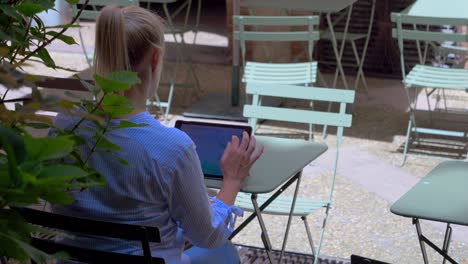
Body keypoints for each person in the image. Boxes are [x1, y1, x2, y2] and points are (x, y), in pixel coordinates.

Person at [51, 5, 263, 264]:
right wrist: (232, 179)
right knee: (222, 251)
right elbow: (208, 236)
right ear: (155, 59)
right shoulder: (170, 147)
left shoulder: (65, 127)